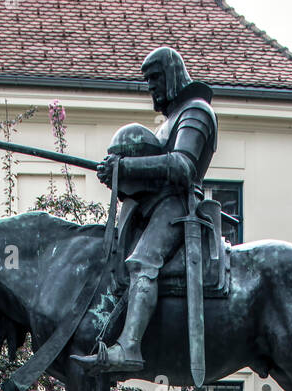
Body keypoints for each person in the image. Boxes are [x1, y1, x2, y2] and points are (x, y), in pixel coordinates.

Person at [71, 47, 217, 373]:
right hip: (149, 206)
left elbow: (182, 166)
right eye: (147, 79)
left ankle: (130, 347)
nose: (150, 86)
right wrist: (120, 174)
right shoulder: (169, 122)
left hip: (179, 206)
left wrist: (128, 167)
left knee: (143, 261)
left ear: (172, 75)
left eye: (154, 78)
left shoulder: (196, 111)